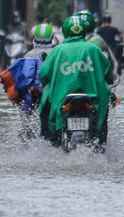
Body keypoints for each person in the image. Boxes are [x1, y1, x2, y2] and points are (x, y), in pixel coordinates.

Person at [38, 13, 115, 142]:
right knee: (104, 109)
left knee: (45, 106)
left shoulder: (58, 50)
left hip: (62, 100)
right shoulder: (93, 49)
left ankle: (52, 142)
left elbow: (43, 74)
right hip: (93, 100)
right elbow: (108, 72)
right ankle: (100, 144)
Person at [1, 23, 55, 114]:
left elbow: (23, 80)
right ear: (52, 37)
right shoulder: (57, 52)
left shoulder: (29, 55)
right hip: (54, 93)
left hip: (34, 94)